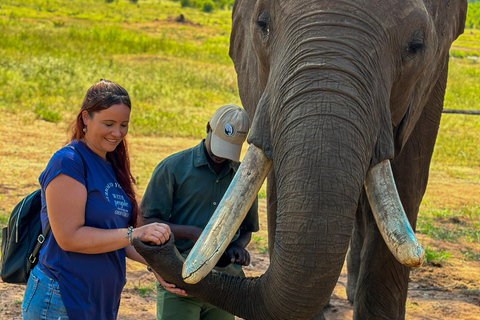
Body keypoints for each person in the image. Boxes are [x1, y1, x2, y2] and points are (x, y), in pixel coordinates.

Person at [21, 79, 184, 320]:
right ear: (86, 118)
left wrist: (157, 267)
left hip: (100, 300)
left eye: (124, 125)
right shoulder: (69, 163)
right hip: (61, 299)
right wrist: (134, 233)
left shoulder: (112, 166)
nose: (117, 133)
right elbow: (69, 238)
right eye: (109, 123)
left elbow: (115, 235)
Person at [139, 104, 259, 320]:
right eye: (220, 146)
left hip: (225, 287)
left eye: (229, 149)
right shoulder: (173, 169)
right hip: (179, 281)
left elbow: (247, 229)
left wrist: (237, 247)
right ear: (208, 128)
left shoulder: (243, 179)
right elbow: (147, 222)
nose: (222, 156)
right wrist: (193, 233)